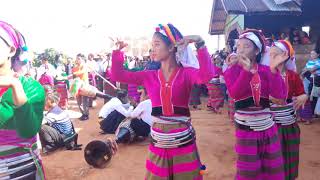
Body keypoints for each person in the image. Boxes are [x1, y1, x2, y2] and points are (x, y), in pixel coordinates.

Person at [111, 23, 214, 179]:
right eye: (152, 45)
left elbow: (206, 76)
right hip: (159, 143)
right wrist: (117, 52)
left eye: (157, 44)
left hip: (183, 144)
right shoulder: (149, 75)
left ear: (172, 47)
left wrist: (200, 44)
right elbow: (118, 75)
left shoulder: (186, 73)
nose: (153, 49)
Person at [224, 29, 287, 179]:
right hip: (246, 131)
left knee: (272, 169)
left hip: (268, 129)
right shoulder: (232, 70)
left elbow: (280, 96)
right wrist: (246, 71)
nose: (241, 49)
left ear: (257, 50)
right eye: (238, 46)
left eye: (246, 46)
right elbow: (235, 94)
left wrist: (273, 71)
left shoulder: (266, 71)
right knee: (249, 172)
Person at [0, 20, 46, 179]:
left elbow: (28, 130)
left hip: (21, 172)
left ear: (11, 50)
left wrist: (15, 86)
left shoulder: (31, 88)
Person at [269, 40, 308, 180]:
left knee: (290, 158)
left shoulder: (292, 75)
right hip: (271, 127)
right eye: (270, 54)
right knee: (273, 160)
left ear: (285, 56)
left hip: (290, 125)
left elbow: (301, 92)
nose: (271, 57)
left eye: (275, 54)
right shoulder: (265, 74)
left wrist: (304, 96)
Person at [39, 87, 80, 153]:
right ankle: (50, 145)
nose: (44, 103)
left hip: (64, 138)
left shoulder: (52, 114)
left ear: (50, 102)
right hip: (69, 136)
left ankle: (51, 146)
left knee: (42, 127)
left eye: (45, 101)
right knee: (46, 125)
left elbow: (40, 123)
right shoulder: (57, 109)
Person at [73, 53, 90, 120]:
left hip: (84, 85)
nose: (77, 60)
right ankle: (83, 113)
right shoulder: (75, 67)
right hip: (77, 86)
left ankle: (86, 114)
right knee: (79, 101)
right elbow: (74, 75)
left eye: (79, 59)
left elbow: (81, 72)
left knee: (85, 100)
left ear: (82, 59)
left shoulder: (84, 66)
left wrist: (73, 74)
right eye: (77, 58)